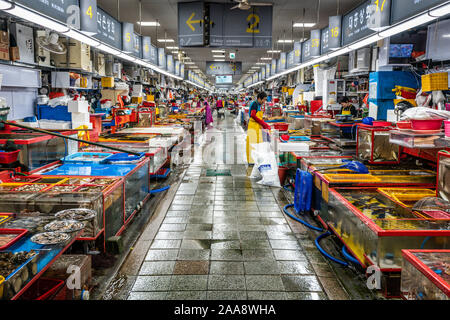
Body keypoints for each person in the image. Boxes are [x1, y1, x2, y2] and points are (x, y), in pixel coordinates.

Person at [246, 91, 270, 165]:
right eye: (264, 99)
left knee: (257, 144)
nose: (264, 101)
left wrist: (262, 123)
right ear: (259, 98)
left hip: (257, 126)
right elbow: (253, 115)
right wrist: (263, 123)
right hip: (253, 126)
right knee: (252, 144)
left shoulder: (259, 105)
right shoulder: (255, 104)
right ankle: (251, 161)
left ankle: (256, 160)